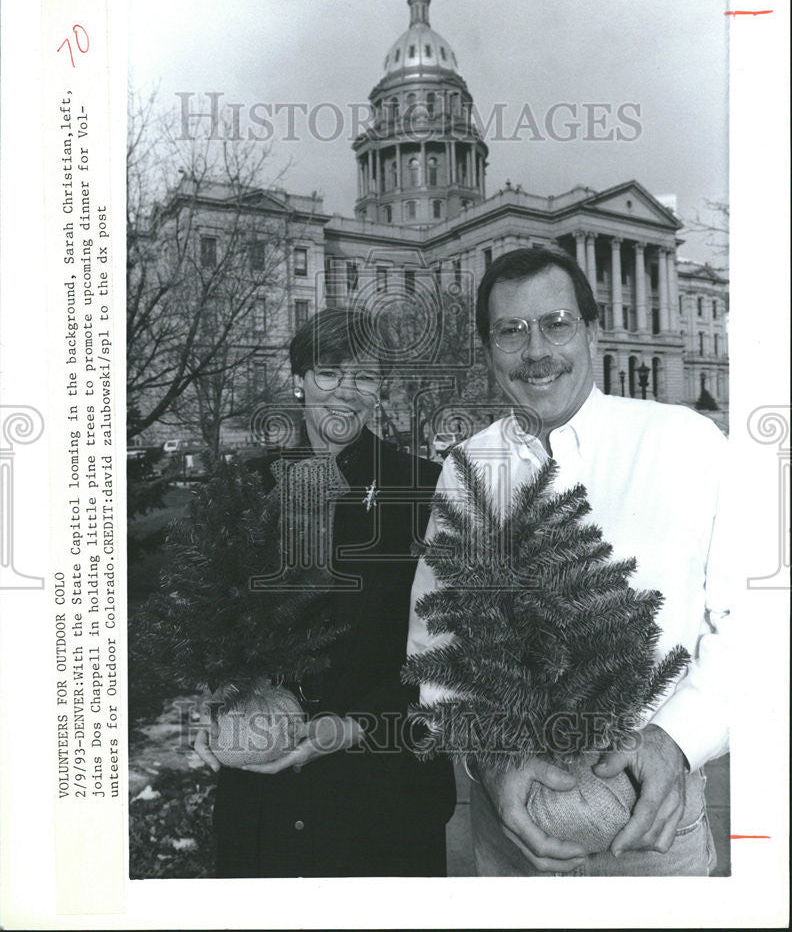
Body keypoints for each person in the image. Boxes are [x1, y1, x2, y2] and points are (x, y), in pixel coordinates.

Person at [407, 247, 729, 876]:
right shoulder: (466, 469)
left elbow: (754, 618)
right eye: (511, 330)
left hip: (652, 819)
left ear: (591, 330)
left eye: (556, 323)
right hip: (513, 822)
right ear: (489, 349)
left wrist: (676, 741)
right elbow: (437, 636)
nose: (536, 352)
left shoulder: (686, 443)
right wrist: (493, 764)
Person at [194, 306, 455, 878]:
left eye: (364, 376)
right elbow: (211, 627)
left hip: (380, 795)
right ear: (297, 381)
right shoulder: (246, 488)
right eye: (329, 372)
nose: (347, 391)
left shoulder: (425, 489)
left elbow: (451, 647)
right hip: (265, 792)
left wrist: (355, 724)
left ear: (380, 391)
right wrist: (214, 699)